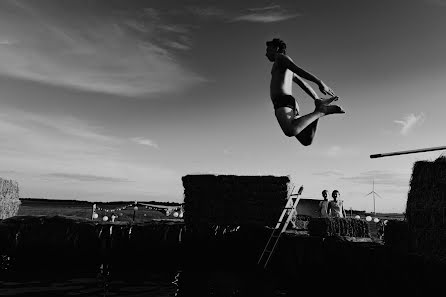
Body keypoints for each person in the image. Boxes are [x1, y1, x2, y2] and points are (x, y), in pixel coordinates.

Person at [266, 38, 345, 145]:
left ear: (276, 48)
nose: (266, 54)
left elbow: (297, 69)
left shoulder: (280, 58)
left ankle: (321, 111)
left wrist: (319, 82)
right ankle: (319, 109)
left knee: (291, 130)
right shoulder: (283, 68)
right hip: (289, 103)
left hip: (282, 101)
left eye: (268, 50)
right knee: (306, 139)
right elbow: (303, 84)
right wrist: (316, 99)